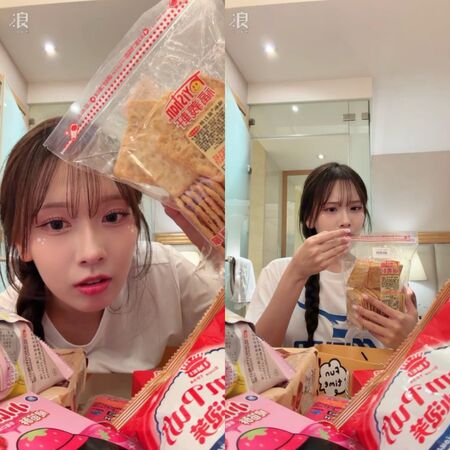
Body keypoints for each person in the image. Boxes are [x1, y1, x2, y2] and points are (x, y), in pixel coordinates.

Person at [0, 117, 222, 372]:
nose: (92, 252)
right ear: (21, 242)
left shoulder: (165, 274)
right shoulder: (8, 325)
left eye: (113, 216)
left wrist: (215, 248)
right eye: (57, 224)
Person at [246, 162, 418, 350]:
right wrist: (296, 274)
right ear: (309, 218)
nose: (346, 221)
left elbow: (404, 357)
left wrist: (410, 340)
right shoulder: (277, 272)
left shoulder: (384, 276)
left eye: (355, 208)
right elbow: (255, 353)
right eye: (331, 209)